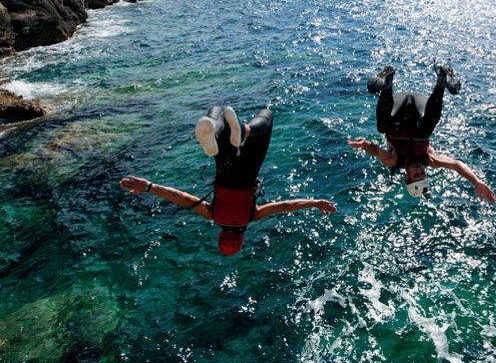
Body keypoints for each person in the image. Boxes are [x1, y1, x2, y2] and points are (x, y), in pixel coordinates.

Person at [120, 106, 336, 256]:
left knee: (266, 117)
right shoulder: (212, 214)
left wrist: (315, 202)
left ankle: (244, 130)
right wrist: (148, 186)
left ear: (240, 240)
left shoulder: (253, 215)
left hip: (249, 171)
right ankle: (214, 130)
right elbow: (182, 198)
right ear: (220, 236)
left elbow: (285, 206)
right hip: (223, 167)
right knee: (218, 112)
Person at [348, 64, 496, 202]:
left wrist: (364, 145)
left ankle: (387, 84)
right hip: (421, 107)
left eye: (416, 175)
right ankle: (441, 84)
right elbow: (456, 165)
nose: (420, 170)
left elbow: (374, 149)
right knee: (424, 132)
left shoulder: (392, 160)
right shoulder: (430, 159)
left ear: (407, 175)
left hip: (397, 106)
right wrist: (476, 181)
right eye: (423, 174)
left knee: (382, 128)